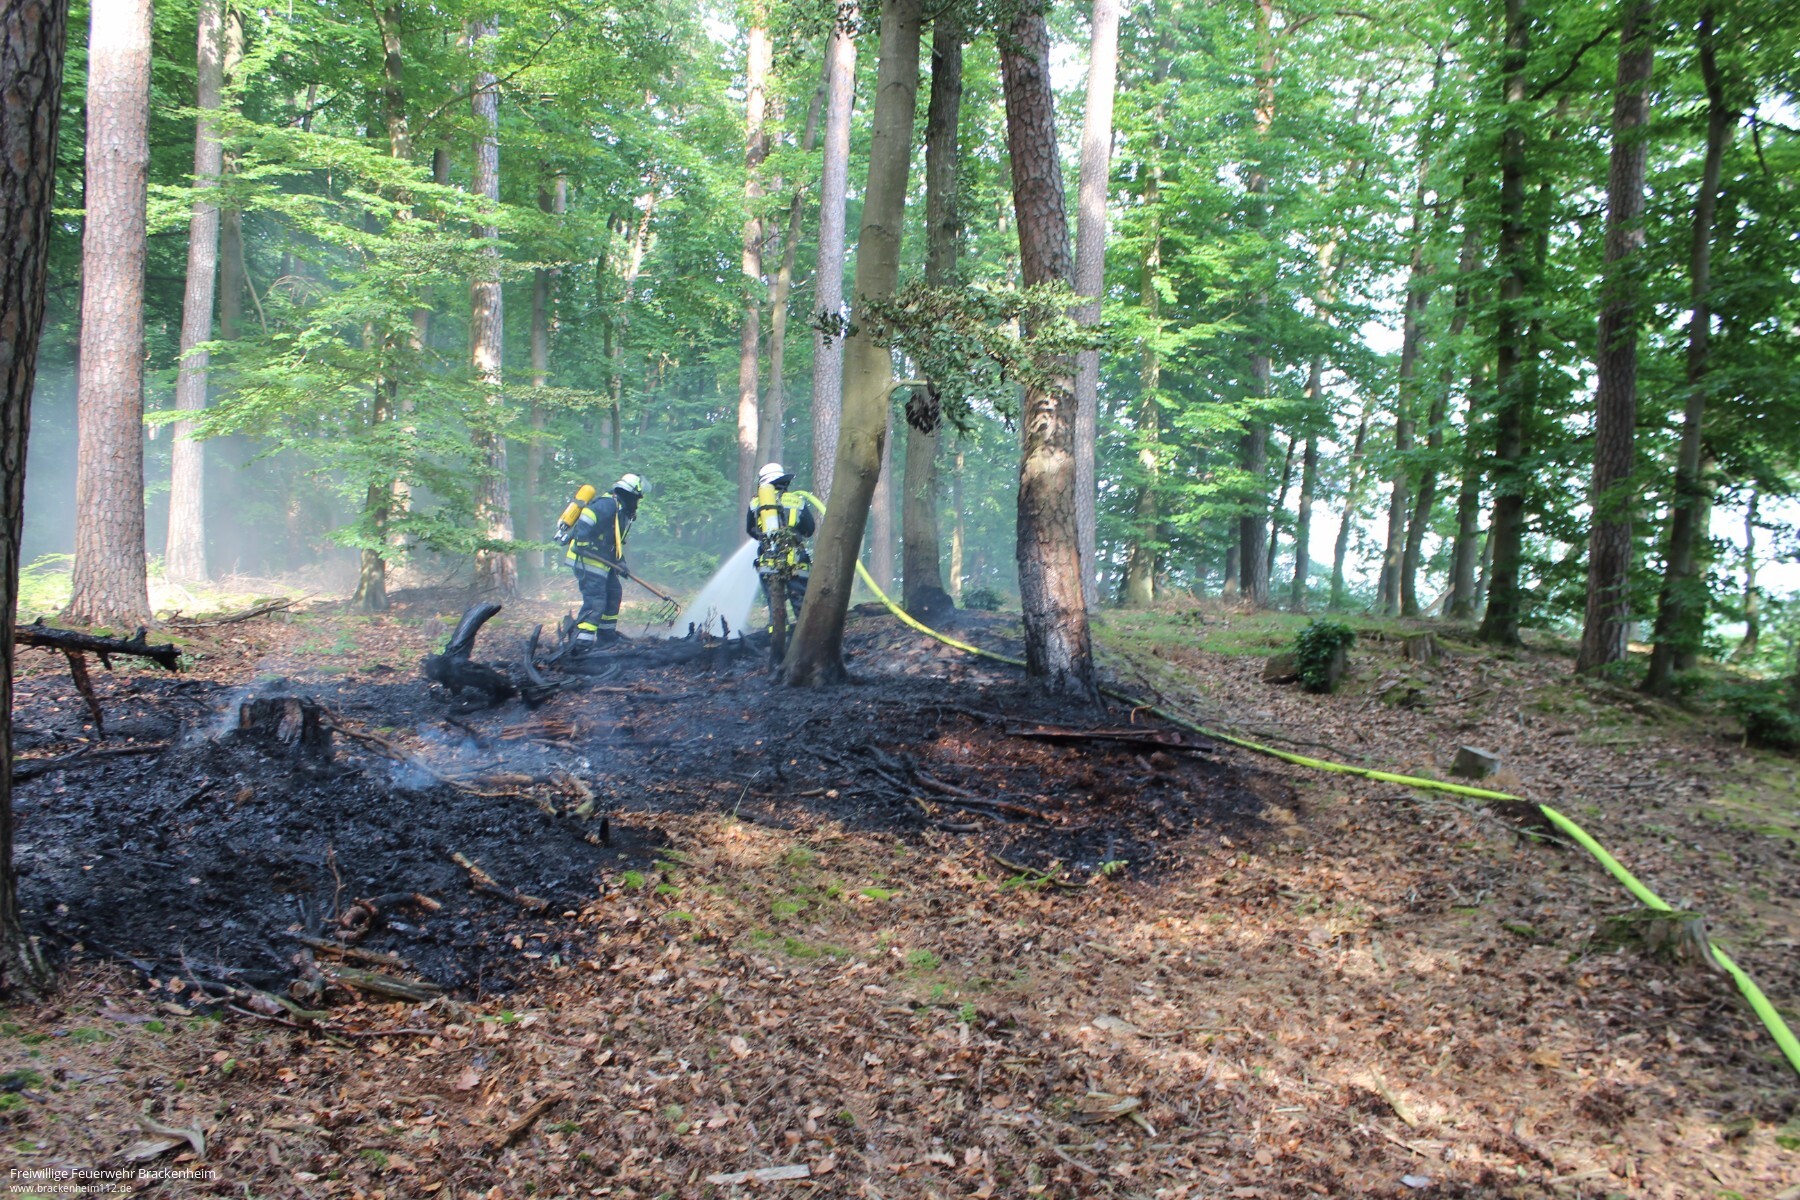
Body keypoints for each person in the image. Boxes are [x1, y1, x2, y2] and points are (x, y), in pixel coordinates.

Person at [558, 474, 643, 652]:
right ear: (628, 494)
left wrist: (621, 562)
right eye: (636, 498)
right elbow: (588, 516)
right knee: (596, 599)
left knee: (614, 593)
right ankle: (582, 642)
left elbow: (614, 541)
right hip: (587, 560)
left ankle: (606, 637)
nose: (637, 502)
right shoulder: (607, 504)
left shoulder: (620, 510)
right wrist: (582, 540)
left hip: (602, 562)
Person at [745, 462, 815, 628]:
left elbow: (751, 530)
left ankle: (776, 637)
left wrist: (768, 540)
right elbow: (809, 529)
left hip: (768, 564)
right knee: (800, 606)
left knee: (775, 608)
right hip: (796, 564)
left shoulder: (755, 504)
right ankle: (804, 636)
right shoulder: (796, 501)